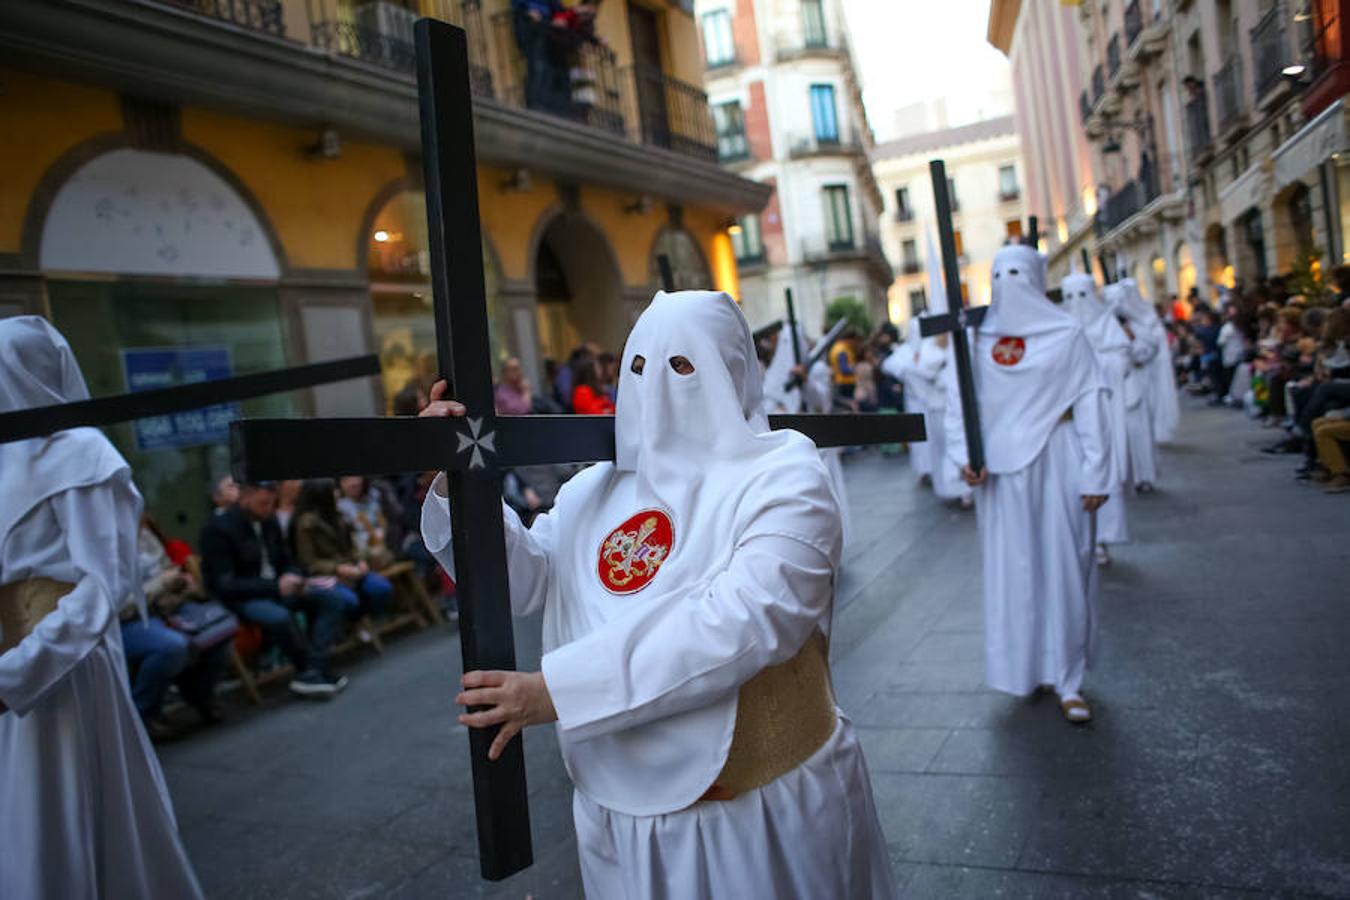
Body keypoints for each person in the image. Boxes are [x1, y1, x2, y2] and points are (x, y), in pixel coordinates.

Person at [420, 290, 894, 897]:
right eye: (640, 366)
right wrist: (450, 482)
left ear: (734, 373)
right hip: (616, 811)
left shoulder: (784, 478)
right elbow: (529, 575)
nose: (659, 389)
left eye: (684, 366)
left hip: (756, 817)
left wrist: (558, 691)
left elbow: (744, 621)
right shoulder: (594, 488)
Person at [0, 316, 204, 898]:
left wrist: (18, 673)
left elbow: (101, 587)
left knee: (63, 815)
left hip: (59, 671)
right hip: (14, 667)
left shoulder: (82, 454)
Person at [946, 246, 1112, 723]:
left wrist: (1097, 471)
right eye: (1000, 273)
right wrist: (965, 458)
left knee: (1064, 567)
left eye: (1019, 273)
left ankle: (1069, 679)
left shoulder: (1067, 334)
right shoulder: (975, 338)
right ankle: (1023, 668)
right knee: (1014, 572)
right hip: (1000, 474)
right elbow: (961, 402)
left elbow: (1090, 402)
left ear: (1038, 280)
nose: (1010, 282)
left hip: (1059, 460)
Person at [200, 481, 349, 697]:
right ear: (245, 497)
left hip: (278, 589)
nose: (268, 509)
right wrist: (275, 586)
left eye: (272, 504)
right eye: (263, 503)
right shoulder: (218, 529)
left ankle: (314, 667)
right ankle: (308, 669)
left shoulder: (268, 521)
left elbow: (286, 557)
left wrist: (292, 575)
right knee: (280, 618)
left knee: (331, 600)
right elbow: (225, 584)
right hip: (244, 597)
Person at [122, 517, 232, 738]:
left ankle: (201, 695)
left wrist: (180, 581)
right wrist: (162, 585)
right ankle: (143, 715)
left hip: (169, 605)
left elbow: (166, 568)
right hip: (132, 619)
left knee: (221, 627)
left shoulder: (141, 531)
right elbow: (121, 607)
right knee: (172, 647)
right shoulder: (100, 544)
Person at [761, 322, 854, 547]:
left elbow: (822, 403)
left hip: (820, 446)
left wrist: (806, 382)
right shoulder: (776, 374)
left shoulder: (818, 370)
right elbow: (768, 403)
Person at [1064, 273, 1131, 565]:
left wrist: (1096, 365)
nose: (1075, 304)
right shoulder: (1062, 330)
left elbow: (1123, 362)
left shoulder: (1108, 327)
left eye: (1081, 296)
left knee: (1104, 464)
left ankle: (1103, 538)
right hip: (1073, 415)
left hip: (1106, 409)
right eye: (1068, 297)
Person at [292, 480, 394, 624]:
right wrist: (338, 569)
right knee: (349, 600)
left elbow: (353, 546)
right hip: (327, 576)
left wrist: (360, 561)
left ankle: (365, 620)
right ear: (323, 496)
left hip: (352, 567)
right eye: (334, 491)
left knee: (381, 587)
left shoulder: (339, 515)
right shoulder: (306, 525)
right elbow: (309, 562)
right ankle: (356, 625)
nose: (337, 494)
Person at [1107, 282, 1162, 492]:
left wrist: (1131, 339)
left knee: (1140, 434)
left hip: (1134, 388)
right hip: (1111, 393)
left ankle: (1144, 476)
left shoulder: (1138, 327)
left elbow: (1146, 353)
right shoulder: (1102, 328)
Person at [336, 476, 399, 569]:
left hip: (389, 544)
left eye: (355, 477)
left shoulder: (378, 495)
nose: (353, 483)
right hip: (362, 552)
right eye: (345, 480)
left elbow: (392, 521)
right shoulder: (340, 507)